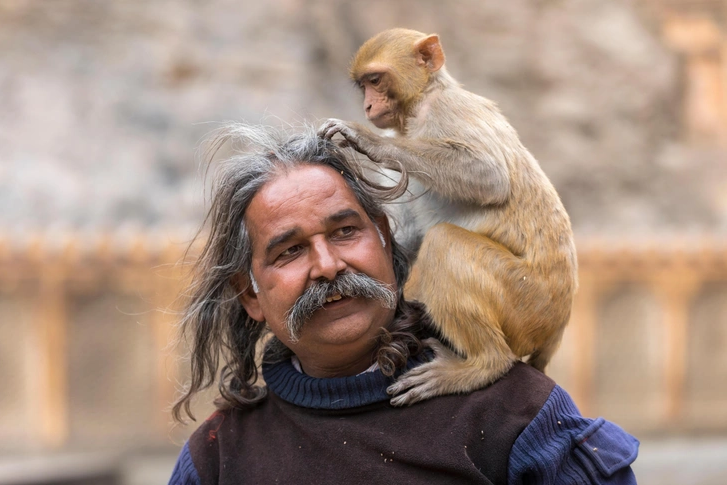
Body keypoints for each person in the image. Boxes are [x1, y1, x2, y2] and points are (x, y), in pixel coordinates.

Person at [168, 123, 639, 485]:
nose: (328, 265)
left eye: (345, 232)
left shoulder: (515, 417)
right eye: (290, 250)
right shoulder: (219, 458)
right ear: (250, 294)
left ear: (386, 242)